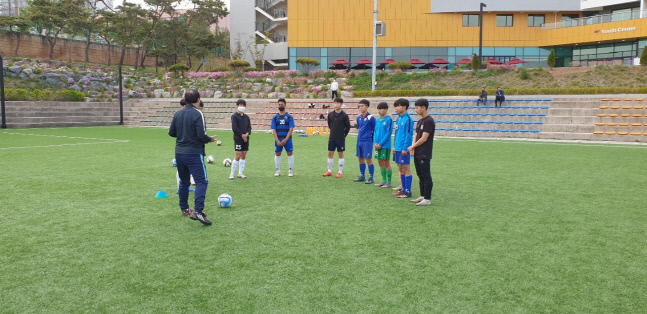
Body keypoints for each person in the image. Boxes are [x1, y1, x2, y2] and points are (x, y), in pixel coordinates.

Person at [168, 89, 216, 225]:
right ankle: (198, 211)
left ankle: (184, 208)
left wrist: (184, 135)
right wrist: (210, 139)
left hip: (179, 153)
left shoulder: (178, 113)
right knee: (202, 182)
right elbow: (201, 136)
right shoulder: (198, 114)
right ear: (198, 99)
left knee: (184, 182)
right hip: (194, 153)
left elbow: (171, 133)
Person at [408, 98, 436, 206]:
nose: (415, 110)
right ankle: (422, 195)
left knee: (426, 175)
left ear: (423, 108)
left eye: (417, 108)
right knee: (420, 174)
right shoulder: (420, 121)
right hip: (417, 151)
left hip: (424, 152)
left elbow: (424, 138)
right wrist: (413, 147)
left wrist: (412, 146)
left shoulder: (429, 121)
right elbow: (416, 135)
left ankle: (427, 198)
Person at [323, 97, 351, 178]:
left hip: (340, 138)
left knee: (340, 154)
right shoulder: (330, 114)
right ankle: (329, 171)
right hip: (332, 138)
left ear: (341, 104)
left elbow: (348, 127)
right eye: (335, 103)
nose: (336, 105)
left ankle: (340, 172)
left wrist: (343, 135)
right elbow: (330, 125)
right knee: (330, 153)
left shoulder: (344, 115)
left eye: (338, 103)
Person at [392, 98, 414, 198]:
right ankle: (403, 189)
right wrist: (394, 146)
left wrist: (405, 148)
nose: (396, 108)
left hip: (403, 149)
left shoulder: (408, 119)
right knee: (400, 167)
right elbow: (396, 133)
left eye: (398, 106)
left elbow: (409, 135)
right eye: (395, 106)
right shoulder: (398, 119)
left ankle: (408, 191)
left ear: (404, 107)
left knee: (406, 168)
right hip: (397, 147)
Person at [353, 99, 376, 184]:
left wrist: (372, 140)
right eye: (359, 106)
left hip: (367, 141)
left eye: (362, 106)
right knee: (360, 158)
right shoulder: (358, 117)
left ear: (367, 107)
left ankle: (371, 177)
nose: (360, 107)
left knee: (368, 159)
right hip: (359, 141)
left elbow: (374, 130)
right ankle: (362, 176)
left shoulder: (371, 118)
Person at [271, 98, 295, 177]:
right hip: (278, 139)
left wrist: (286, 139)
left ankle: (290, 170)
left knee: (290, 153)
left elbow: (291, 129)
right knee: (277, 153)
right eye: (279, 105)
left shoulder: (289, 117)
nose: (280, 106)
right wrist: (277, 140)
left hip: (287, 139)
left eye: (282, 104)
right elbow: (273, 129)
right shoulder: (275, 117)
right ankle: (277, 171)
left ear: (285, 105)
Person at [373, 101, 394, 188]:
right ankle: (383, 180)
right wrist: (375, 142)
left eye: (380, 109)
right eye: (378, 109)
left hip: (385, 146)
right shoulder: (377, 120)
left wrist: (380, 144)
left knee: (386, 162)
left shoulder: (389, 120)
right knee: (380, 162)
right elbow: (375, 132)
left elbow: (388, 133)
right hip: (377, 145)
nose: (379, 111)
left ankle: (389, 182)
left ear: (385, 109)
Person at [230, 99, 251, 179]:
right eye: (240, 105)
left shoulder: (246, 117)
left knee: (243, 155)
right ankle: (232, 173)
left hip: (246, 138)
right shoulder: (234, 116)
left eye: (243, 105)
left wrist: (247, 134)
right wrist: (242, 135)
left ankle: (240, 173)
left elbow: (249, 128)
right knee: (238, 155)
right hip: (238, 138)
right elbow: (234, 128)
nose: (242, 107)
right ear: (237, 106)